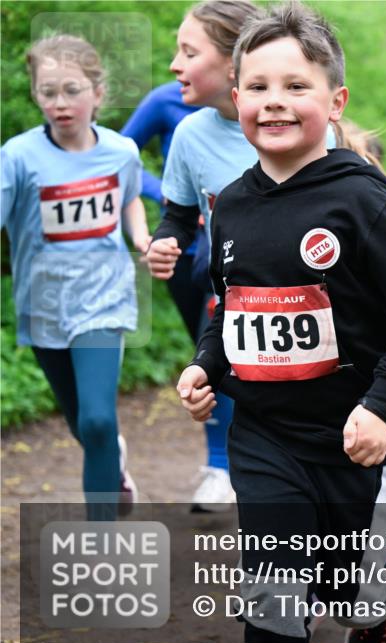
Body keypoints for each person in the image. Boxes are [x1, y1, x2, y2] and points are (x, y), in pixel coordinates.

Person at [172, 4, 386, 643]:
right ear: (236, 97)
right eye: (260, 88)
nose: (276, 103)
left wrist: (383, 405)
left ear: (335, 99)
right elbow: (230, 304)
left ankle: (382, 593)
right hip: (265, 435)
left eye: (297, 87)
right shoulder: (233, 203)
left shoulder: (365, 200)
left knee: (348, 589)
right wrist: (206, 366)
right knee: (272, 602)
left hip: (355, 443)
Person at [146, 0, 339, 512]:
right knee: (215, 376)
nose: (174, 65)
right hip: (223, 286)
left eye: (188, 52)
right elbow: (180, 214)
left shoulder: (305, 128)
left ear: (233, 62)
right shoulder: (189, 135)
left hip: (301, 296)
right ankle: (224, 470)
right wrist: (166, 239)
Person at [1, 34, 147, 519]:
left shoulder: (121, 151)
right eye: (48, 92)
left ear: (98, 93)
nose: (60, 103)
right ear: (36, 95)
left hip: (103, 300)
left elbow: (128, 198)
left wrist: (142, 240)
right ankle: (113, 464)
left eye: (71, 89)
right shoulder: (18, 158)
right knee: (83, 425)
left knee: (99, 420)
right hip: (44, 306)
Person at [121, 83, 205, 341]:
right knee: (206, 346)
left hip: (239, 249)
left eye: (190, 54)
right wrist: (166, 192)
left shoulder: (258, 98)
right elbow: (120, 156)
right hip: (184, 249)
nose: (176, 65)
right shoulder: (164, 100)